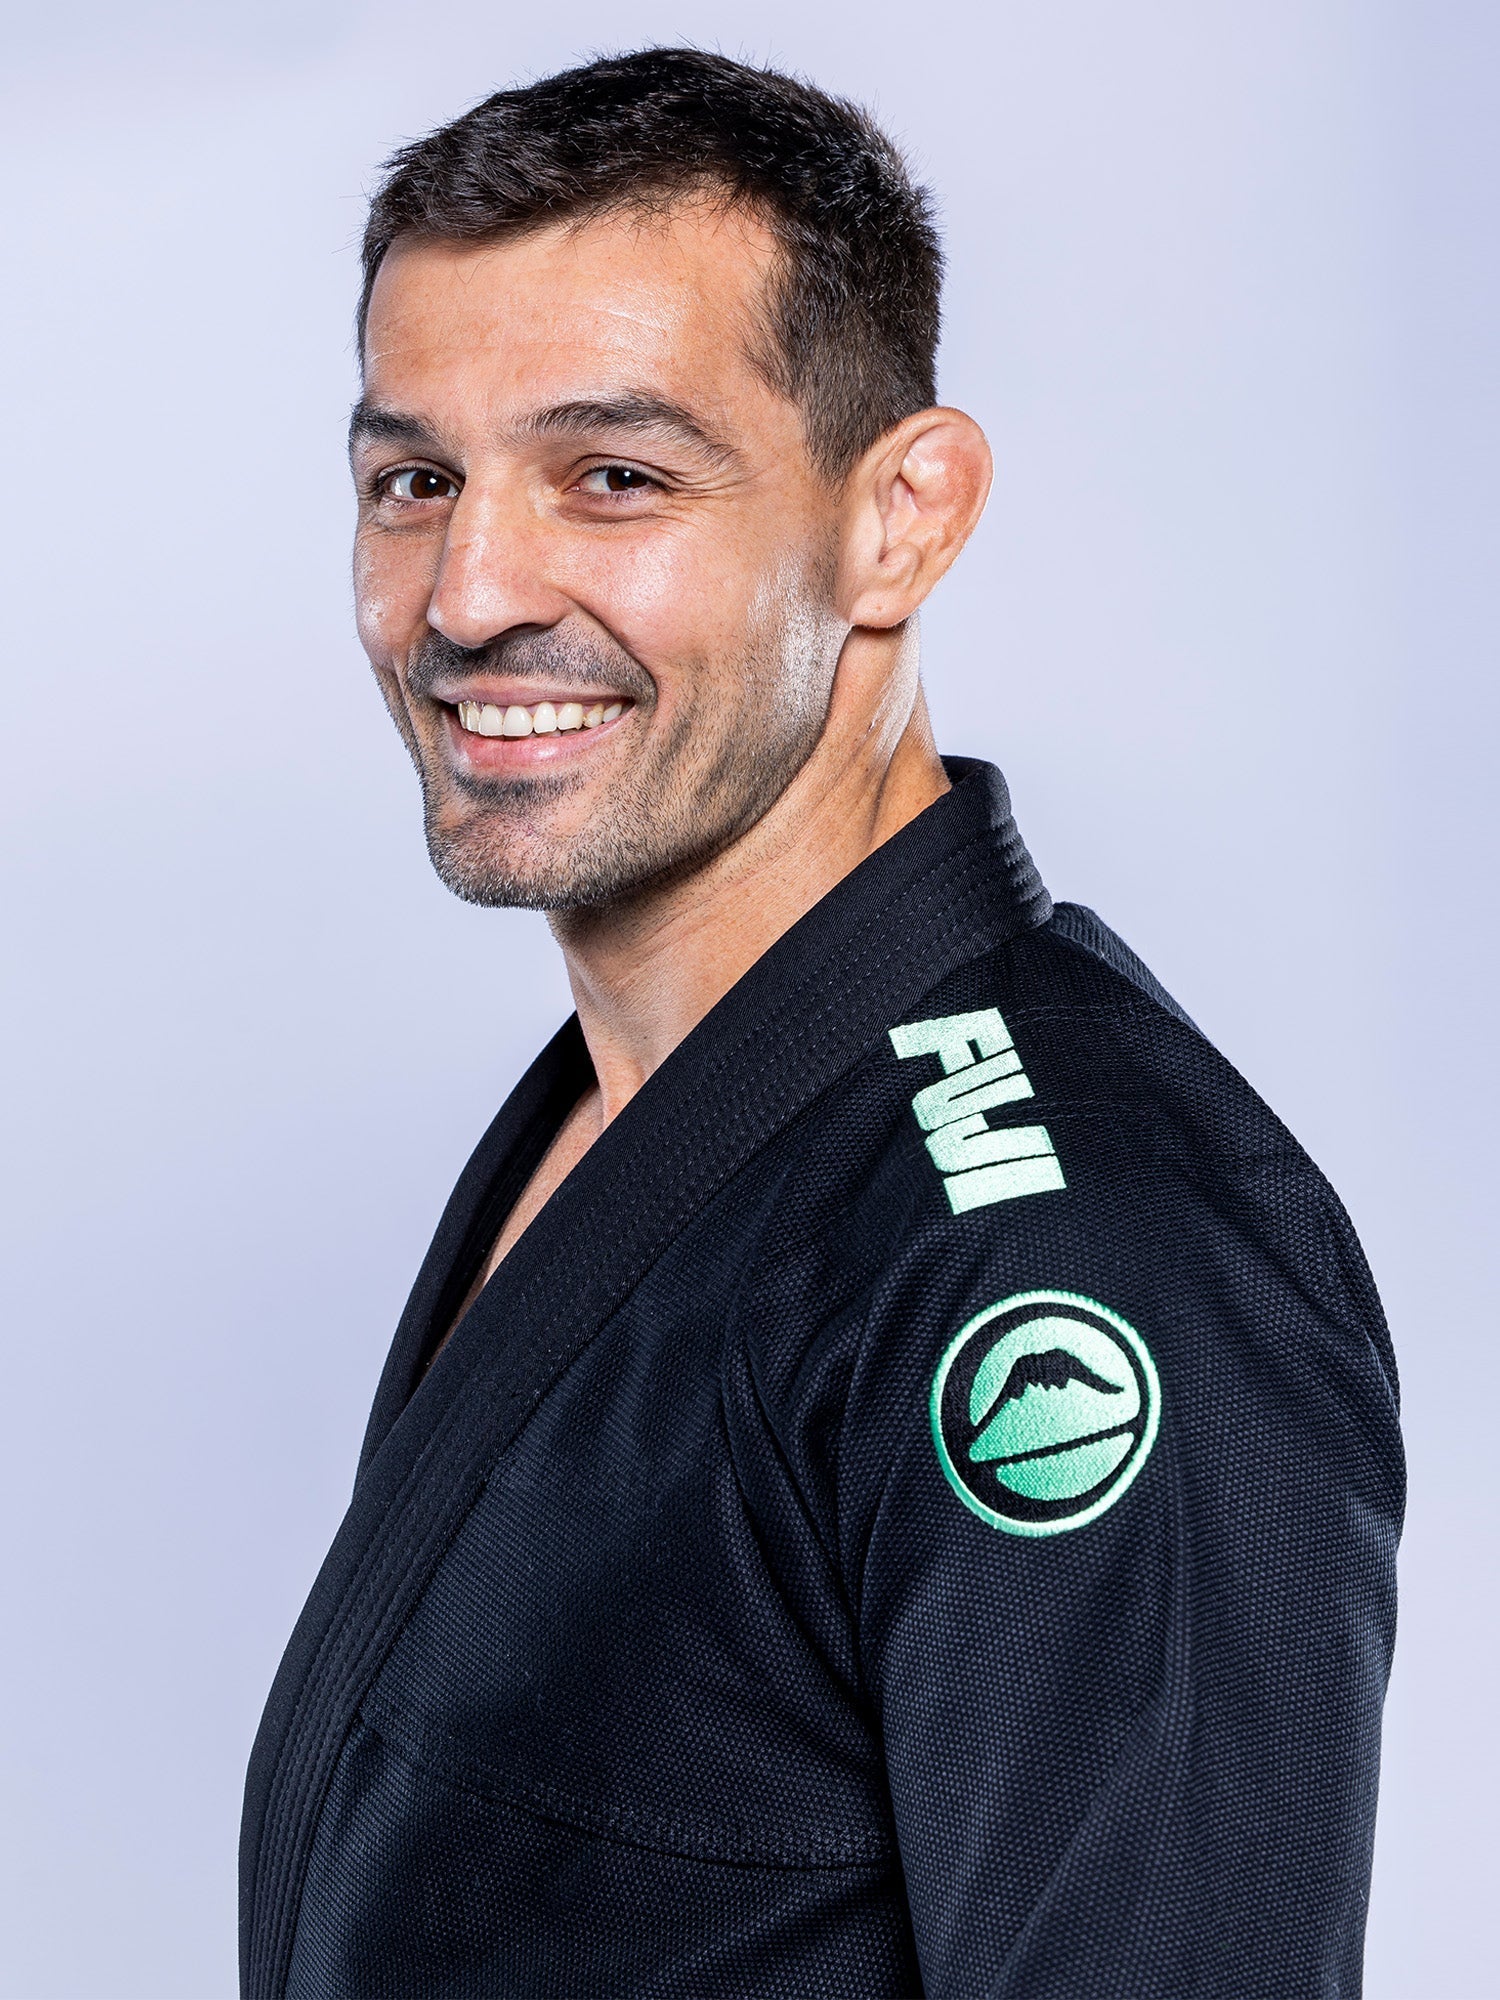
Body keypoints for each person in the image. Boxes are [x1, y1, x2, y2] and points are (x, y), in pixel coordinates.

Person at [241, 48, 1402, 1999]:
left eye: (616, 477)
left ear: (901, 518)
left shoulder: (1066, 1259)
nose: (469, 593)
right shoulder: (632, 1108)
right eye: (414, 482)